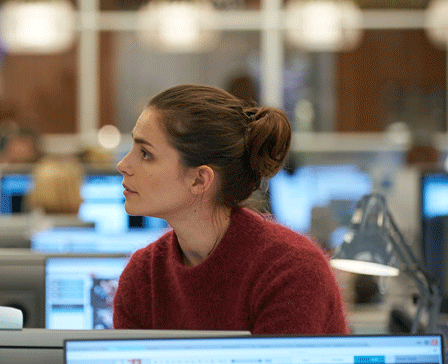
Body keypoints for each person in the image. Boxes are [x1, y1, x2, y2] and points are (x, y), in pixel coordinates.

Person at [112, 84, 348, 335]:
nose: (123, 165)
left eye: (146, 154)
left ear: (200, 180)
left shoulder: (292, 271)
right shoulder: (142, 276)